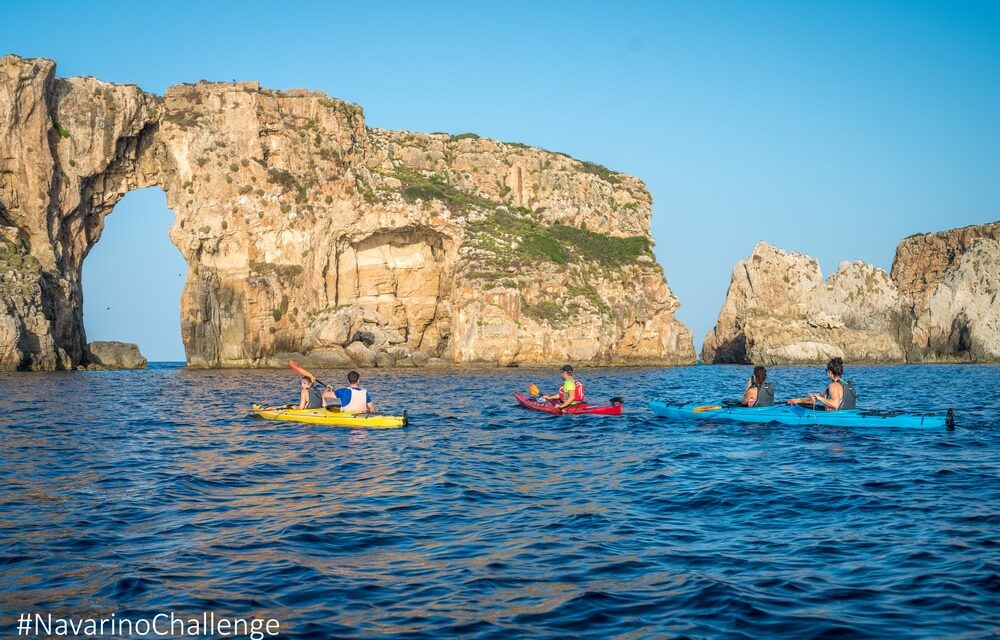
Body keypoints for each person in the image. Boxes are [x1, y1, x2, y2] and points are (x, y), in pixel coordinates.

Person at [786, 357, 857, 410]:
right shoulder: (849, 384)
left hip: (836, 425)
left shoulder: (833, 385)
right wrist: (796, 401)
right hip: (850, 414)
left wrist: (819, 398)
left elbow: (835, 404)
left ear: (829, 372)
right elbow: (816, 399)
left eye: (826, 370)